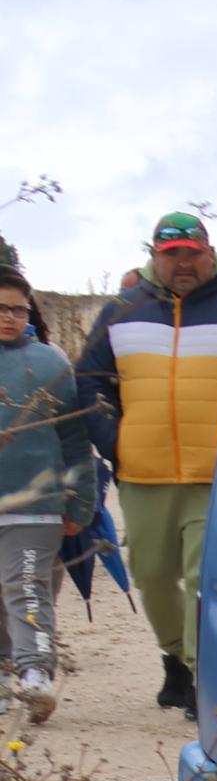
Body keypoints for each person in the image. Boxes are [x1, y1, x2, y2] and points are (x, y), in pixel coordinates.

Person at [67, 209, 217, 716]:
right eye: (172, 256)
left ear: (209, 251)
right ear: (154, 257)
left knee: (202, 580)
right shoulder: (121, 312)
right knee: (151, 576)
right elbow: (89, 381)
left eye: (192, 254)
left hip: (216, 477)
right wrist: (115, 441)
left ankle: (200, 678)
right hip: (143, 472)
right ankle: (175, 659)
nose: (183, 264)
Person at [0, 277, 99, 724]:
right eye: (1, 308)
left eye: (18, 310)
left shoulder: (50, 365)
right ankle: (5, 675)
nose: (9, 317)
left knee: (26, 588)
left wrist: (80, 504)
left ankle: (35, 674)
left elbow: (76, 440)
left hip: (36, 505)